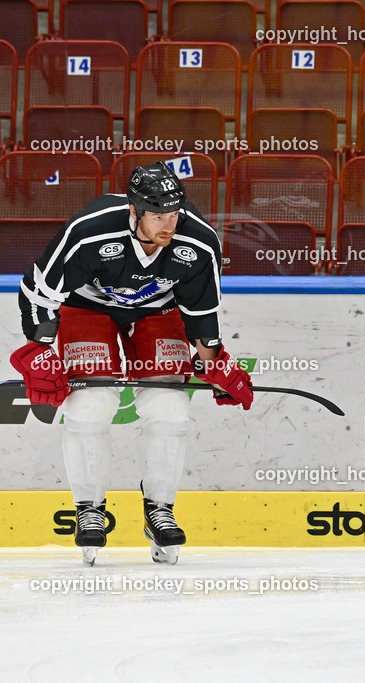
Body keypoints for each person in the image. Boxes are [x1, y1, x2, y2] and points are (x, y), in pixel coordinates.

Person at [9, 161, 253, 565]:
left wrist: (214, 365)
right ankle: (89, 507)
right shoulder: (90, 231)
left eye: (173, 214)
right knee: (91, 404)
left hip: (158, 311)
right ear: (134, 212)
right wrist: (39, 352)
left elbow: (202, 316)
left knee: (169, 407)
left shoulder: (200, 242)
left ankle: (160, 508)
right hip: (85, 307)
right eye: (157, 215)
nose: (168, 224)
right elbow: (37, 293)